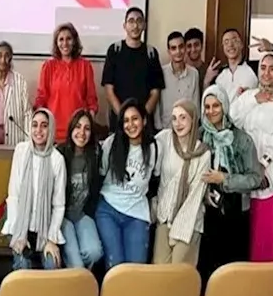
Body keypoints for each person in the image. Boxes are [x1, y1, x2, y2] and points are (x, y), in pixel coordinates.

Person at [230, 52, 273, 261]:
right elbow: (232, 119)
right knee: (244, 235)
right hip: (244, 171)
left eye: (272, 68)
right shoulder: (249, 96)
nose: (267, 73)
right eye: (263, 68)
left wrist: (262, 163)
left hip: (268, 171)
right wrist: (254, 100)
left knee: (265, 234)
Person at [196, 85, 263, 287]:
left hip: (235, 212)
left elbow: (255, 179)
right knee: (207, 271)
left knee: (233, 272)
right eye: (207, 107)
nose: (211, 111)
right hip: (207, 213)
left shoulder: (242, 139)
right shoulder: (200, 136)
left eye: (216, 105)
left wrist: (224, 179)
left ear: (224, 106)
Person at [96, 99, 159, 267]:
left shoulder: (154, 147)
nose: (130, 125)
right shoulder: (111, 144)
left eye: (135, 119)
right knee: (115, 265)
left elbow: (157, 177)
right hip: (109, 209)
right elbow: (100, 175)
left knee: (136, 268)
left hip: (137, 212)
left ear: (144, 120)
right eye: (126, 120)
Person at [2, 108, 66, 270]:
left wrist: (51, 240)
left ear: (50, 129)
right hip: (20, 224)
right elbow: (13, 195)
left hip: (45, 229)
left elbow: (58, 205)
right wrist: (19, 234)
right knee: (23, 265)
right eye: (35, 125)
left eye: (44, 126)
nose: (38, 130)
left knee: (52, 264)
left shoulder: (57, 160)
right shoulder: (21, 151)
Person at [152, 99, 211, 265]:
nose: (178, 123)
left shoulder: (203, 153)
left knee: (180, 273)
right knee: (159, 272)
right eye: (174, 118)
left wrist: (176, 231)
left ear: (193, 119)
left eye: (183, 117)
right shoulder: (164, 139)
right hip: (164, 216)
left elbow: (196, 195)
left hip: (189, 221)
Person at [101, 7, 164, 130]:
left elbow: (155, 92)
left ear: (144, 25)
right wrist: (124, 117)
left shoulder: (151, 53)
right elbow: (109, 90)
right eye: (131, 21)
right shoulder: (115, 50)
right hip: (119, 122)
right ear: (124, 26)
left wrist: (140, 118)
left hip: (144, 123)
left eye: (139, 21)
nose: (135, 25)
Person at [56, 109, 104, 269]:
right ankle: (77, 278)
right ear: (71, 129)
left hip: (83, 214)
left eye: (87, 128)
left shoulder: (95, 154)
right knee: (76, 264)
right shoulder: (59, 153)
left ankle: (81, 276)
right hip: (63, 216)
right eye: (78, 127)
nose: (82, 133)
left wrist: (90, 212)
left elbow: (96, 189)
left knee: (94, 253)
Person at [35, 23, 98, 142]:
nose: (65, 43)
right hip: (53, 133)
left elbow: (92, 101)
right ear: (56, 43)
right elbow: (41, 99)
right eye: (61, 39)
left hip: (78, 135)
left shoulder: (85, 66)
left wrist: (87, 129)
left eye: (69, 39)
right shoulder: (48, 66)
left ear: (74, 41)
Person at [155, 32, 200, 130]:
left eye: (181, 47)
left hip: (187, 130)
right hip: (166, 129)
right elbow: (157, 105)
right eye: (173, 48)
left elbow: (196, 106)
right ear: (169, 51)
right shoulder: (161, 73)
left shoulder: (194, 73)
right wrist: (159, 129)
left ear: (185, 48)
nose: (178, 51)